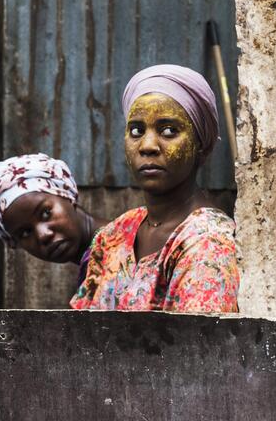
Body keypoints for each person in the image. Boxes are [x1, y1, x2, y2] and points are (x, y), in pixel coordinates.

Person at [70, 64, 240, 313]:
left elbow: (197, 347)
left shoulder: (209, 243)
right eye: (137, 130)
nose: (147, 145)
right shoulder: (115, 234)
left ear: (201, 146)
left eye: (169, 130)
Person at [0, 153, 107, 283]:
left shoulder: (122, 254)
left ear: (67, 195)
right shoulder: (96, 269)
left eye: (46, 213)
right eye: (25, 233)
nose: (43, 235)